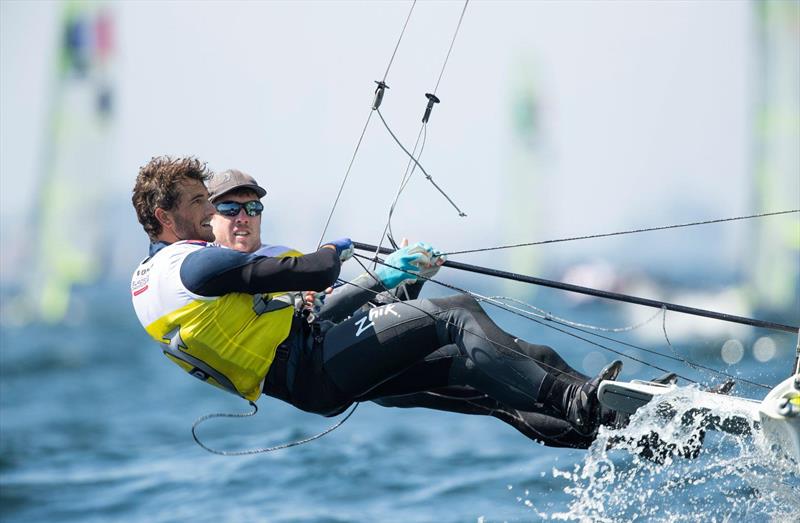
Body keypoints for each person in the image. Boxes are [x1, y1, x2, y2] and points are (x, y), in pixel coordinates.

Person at [131, 155, 622, 449]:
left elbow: (316, 315)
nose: (226, 216)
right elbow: (318, 280)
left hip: (315, 367)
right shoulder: (197, 266)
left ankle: (612, 429)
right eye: (210, 206)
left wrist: (395, 281)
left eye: (251, 207)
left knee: (484, 376)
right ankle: (579, 402)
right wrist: (335, 254)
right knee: (458, 315)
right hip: (315, 367)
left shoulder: (153, 281)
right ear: (164, 215)